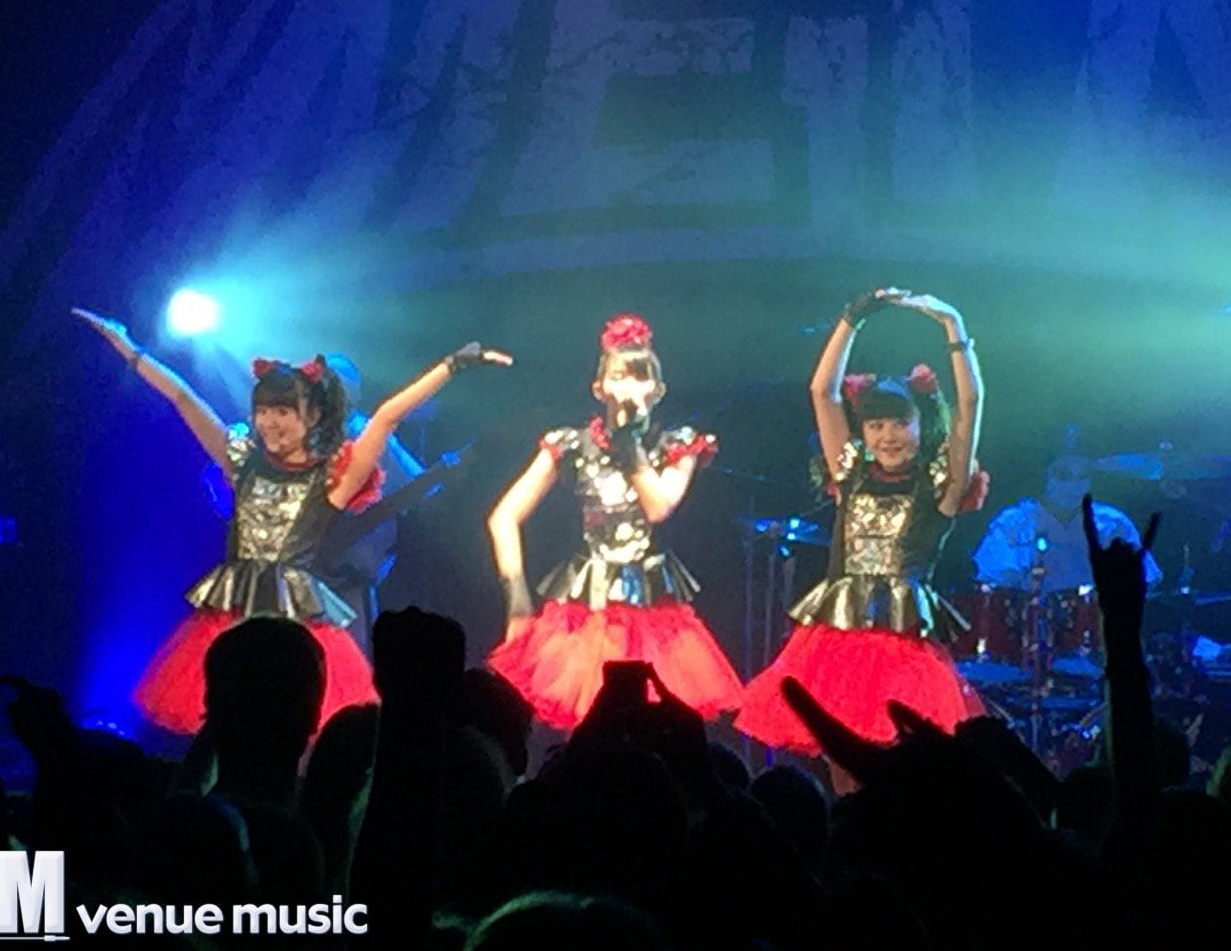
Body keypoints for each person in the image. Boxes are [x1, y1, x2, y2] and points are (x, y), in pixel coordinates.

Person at [72, 307, 510, 734]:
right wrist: (129, 348)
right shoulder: (242, 462)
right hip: (235, 613)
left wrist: (452, 365)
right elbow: (184, 398)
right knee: (228, 721)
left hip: (299, 619)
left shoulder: (332, 479)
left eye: (282, 412)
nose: (269, 422)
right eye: (263, 411)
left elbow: (386, 418)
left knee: (291, 721)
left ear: (312, 416)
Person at [735, 288, 988, 770]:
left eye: (899, 423)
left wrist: (952, 326)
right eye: (875, 425)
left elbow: (971, 403)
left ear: (921, 425)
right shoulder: (850, 474)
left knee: (899, 767)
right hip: (836, 647)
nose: (887, 435)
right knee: (842, 762)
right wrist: (852, 319)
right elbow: (822, 393)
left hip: (904, 656)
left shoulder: (940, 485)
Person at [485, 314, 741, 730]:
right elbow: (503, 517)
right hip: (585, 612)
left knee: (651, 726)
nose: (630, 387)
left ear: (657, 391)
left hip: (653, 614)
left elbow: (658, 507)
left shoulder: (677, 446)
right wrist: (518, 603)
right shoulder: (570, 444)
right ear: (599, 388)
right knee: (589, 727)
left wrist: (629, 441)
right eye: (620, 376)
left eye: (641, 377)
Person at [201, 352, 428, 654]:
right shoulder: (283, 434)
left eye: (341, 386)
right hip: (276, 578)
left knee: (342, 660)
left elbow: (417, 486)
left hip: (346, 576)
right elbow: (222, 479)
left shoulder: (364, 434)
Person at [973, 453, 1162, 592]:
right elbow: (990, 581)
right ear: (1045, 474)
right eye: (1063, 474)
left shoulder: (1113, 523)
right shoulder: (1012, 523)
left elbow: (1145, 579)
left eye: (1083, 474)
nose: (1074, 483)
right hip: (1029, 623)